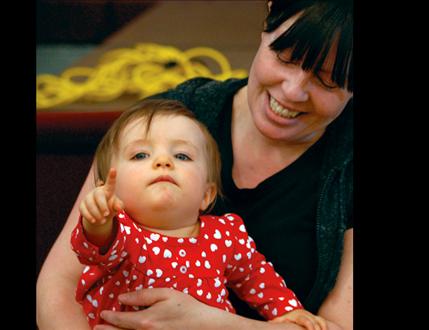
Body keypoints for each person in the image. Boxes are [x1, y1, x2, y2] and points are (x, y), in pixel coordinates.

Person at [37, 0, 353, 329]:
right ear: (268, 20)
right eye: (284, 57)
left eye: (327, 81)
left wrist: (213, 324)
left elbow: (299, 306)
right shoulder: (160, 123)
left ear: (208, 194)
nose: (292, 91)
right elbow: (61, 282)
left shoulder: (227, 236)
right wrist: (98, 223)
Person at [72, 99, 327, 330]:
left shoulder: (224, 235)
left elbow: (255, 276)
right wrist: (98, 217)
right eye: (140, 155)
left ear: (207, 195)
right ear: (109, 189)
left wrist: (287, 310)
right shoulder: (122, 233)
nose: (163, 161)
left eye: (182, 155)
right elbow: (96, 245)